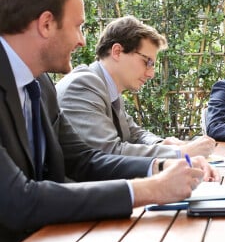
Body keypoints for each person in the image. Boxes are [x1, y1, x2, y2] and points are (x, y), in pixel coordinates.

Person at [0, 0, 218, 242]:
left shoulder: (41, 86)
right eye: (78, 26)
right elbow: (18, 201)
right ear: (46, 23)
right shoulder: (65, 83)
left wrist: (160, 167)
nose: (82, 40)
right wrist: (150, 189)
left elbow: (83, 160)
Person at [56, 16, 216, 158]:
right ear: (117, 52)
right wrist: (182, 153)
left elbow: (133, 133)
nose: (151, 73)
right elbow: (109, 152)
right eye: (147, 62)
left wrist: (162, 144)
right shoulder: (83, 86)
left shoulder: (107, 87)